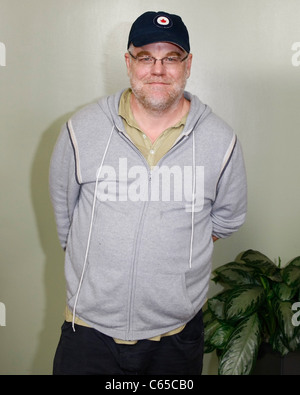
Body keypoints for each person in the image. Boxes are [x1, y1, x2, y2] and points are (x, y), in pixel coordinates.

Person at [49, 11, 247, 375]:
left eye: (171, 58)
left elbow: (227, 218)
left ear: (188, 65)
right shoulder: (81, 129)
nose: (158, 69)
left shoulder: (221, 141)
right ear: (129, 62)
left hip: (175, 338)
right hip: (89, 334)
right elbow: (67, 213)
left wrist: (173, 261)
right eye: (146, 57)